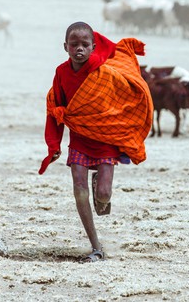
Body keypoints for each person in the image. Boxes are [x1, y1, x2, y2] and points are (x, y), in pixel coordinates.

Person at [39, 22, 153, 263]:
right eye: (74, 44)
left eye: (84, 45)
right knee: (79, 193)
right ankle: (96, 246)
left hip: (105, 139)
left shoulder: (105, 72)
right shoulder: (61, 73)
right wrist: (54, 145)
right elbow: (55, 107)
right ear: (65, 47)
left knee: (102, 195)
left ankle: (99, 188)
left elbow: (123, 99)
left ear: (93, 47)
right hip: (79, 140)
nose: (79, 49)